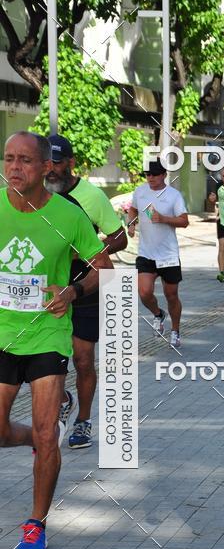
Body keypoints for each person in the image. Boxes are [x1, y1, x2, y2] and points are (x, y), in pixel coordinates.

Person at [0, 131, 113, 549]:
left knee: (49, 433)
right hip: (2, 335)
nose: (15, 168)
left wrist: (71, 292)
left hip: (48, 335)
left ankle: (35, 524)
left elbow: (102, 267)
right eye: (9, 159)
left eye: (25, 161)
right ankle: (37, 438)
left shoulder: (68, 216)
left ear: (46, 167)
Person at [45, 134, 126, 449]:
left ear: (70, 163)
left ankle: (83, 421)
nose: (51, 169)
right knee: (46, 357)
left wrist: (87, 251)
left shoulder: (90, 196)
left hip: (87, 286)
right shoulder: (36, 195)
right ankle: (64, 398)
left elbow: (120, 238)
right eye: (47, 162)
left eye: (57, 162)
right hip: (49, 290)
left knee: (81, 359)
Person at [127, 160, 188, 348]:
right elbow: (133, 209)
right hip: (146, 252)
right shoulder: (140, 191)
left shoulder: (173, 195)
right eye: (147, 174)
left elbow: (184, 221)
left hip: (168, 255)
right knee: (144, 292)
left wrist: (164, 219)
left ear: (164, 175)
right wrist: (131, 223)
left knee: (171, 294)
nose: (150, 178)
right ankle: (158, 314)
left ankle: (175, 331)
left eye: (154, 174)